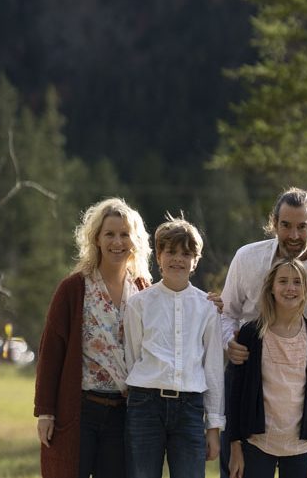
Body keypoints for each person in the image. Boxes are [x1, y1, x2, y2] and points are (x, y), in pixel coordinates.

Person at [212, 187, 307, 478]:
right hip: (247, 376)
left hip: (301, 384)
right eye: (286, 225)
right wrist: (229, 342)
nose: (294, 235)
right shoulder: (247, 258)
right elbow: (227, 312)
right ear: (274, 224)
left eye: (302, 227)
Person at [33, 197, 152, 478]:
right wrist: (45, 412)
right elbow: (51, 353)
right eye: (109, 234)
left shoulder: (144, 290)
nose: (117, 242)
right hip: (80, 411)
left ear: (135, 241)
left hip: (123, 415)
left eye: (125, 234)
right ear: (96, 238)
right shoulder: (73, 289)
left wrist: (209, 304)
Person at [123, 216, 225, 478]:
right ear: (158, 256)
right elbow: (133, 357)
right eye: (170, 252)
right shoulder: (139, 304)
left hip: (190, 408)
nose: (178, 259)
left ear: (195, 261)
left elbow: (213, 368)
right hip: (145, 405)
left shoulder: (207, 307)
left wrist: (213, 427)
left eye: (186, 254)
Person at [227, 259, 307, 478]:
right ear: (271, 288)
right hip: (257, 444)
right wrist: (235, 446)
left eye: (297, 282)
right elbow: (236, 393)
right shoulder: (251, 334)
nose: (290, 288)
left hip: (301, 447)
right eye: (283, 281)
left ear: (305, 290)